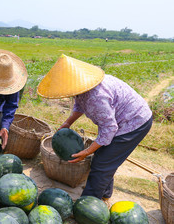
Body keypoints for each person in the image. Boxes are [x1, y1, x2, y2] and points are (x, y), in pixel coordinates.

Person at [37, 54, 153, 201]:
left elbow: (109, 129)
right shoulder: (83, 87)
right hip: (123, 120)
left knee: (102, 163)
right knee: (106, 156)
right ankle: (105, 193)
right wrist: (68, 123)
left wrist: (87, 151)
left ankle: (88, 202)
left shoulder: (96, 97)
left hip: (134, 123)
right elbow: (80, 104)